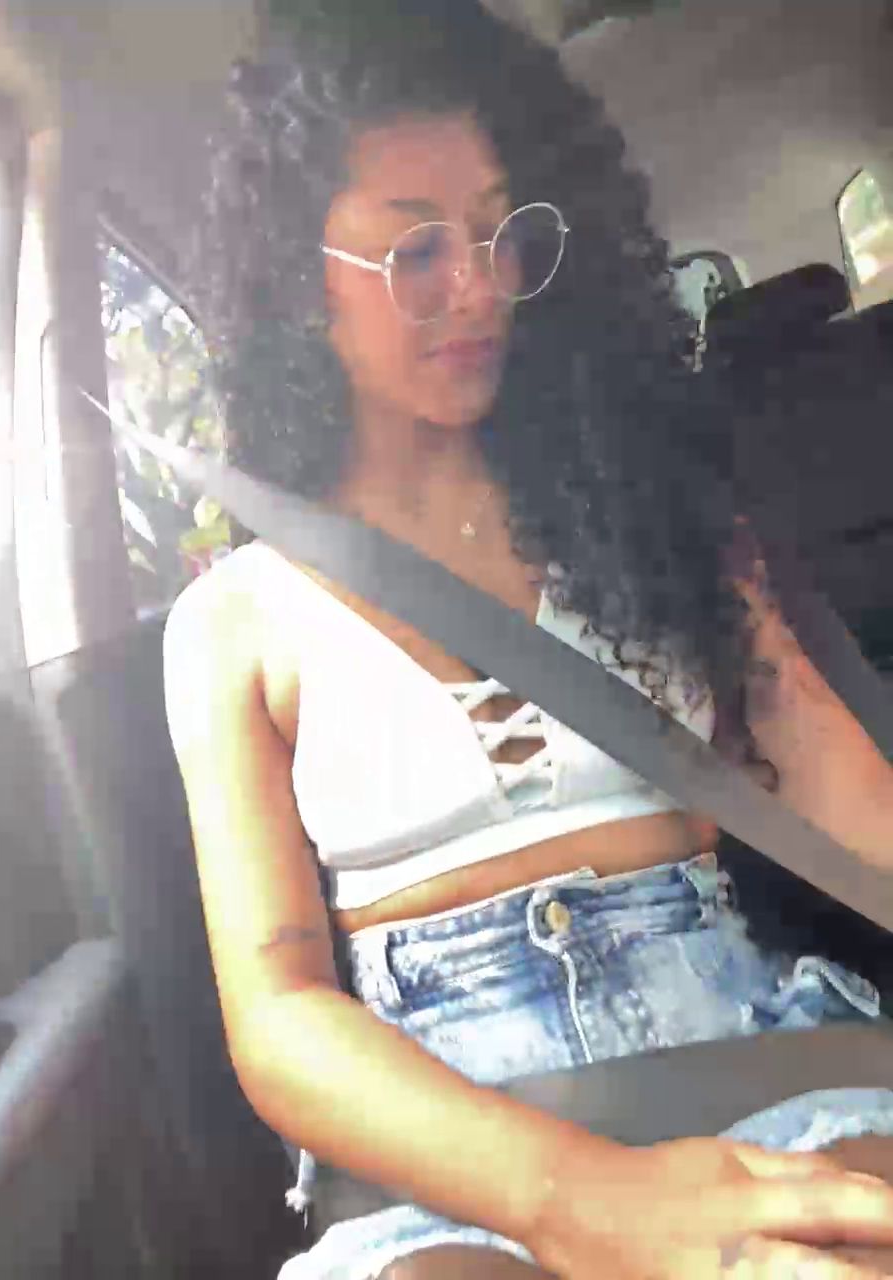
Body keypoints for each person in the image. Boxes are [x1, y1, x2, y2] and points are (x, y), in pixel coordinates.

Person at [164, 3, 893, 1275]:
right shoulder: (233, 621)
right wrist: (577, 1196)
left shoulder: (658, 519)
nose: (481, 288)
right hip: (449, 1153)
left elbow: (850, 797)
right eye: (417, 250)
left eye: (503, 234)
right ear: (294, 275)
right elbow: (278, 1014)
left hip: (752, 1053)